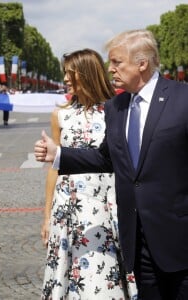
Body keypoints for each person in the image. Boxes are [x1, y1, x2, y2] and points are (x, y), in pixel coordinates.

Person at [35, 29, 188, 299]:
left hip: (178, 237)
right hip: (136, 239)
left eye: (117, 62)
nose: (110, 68)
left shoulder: (182, 98)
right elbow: (107, 157)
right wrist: (58, 155)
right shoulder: (116, 107)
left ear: (142, 63)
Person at [40, 48, 136, 299]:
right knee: (69, 272)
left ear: (87, 74)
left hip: (106, 203)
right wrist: (47, 215)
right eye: (64, 74)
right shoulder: (60, 114)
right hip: (68, 205)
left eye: (71, 74)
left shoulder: (115, 110)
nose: (66, 80)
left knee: (101, 274)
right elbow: (55, 167)